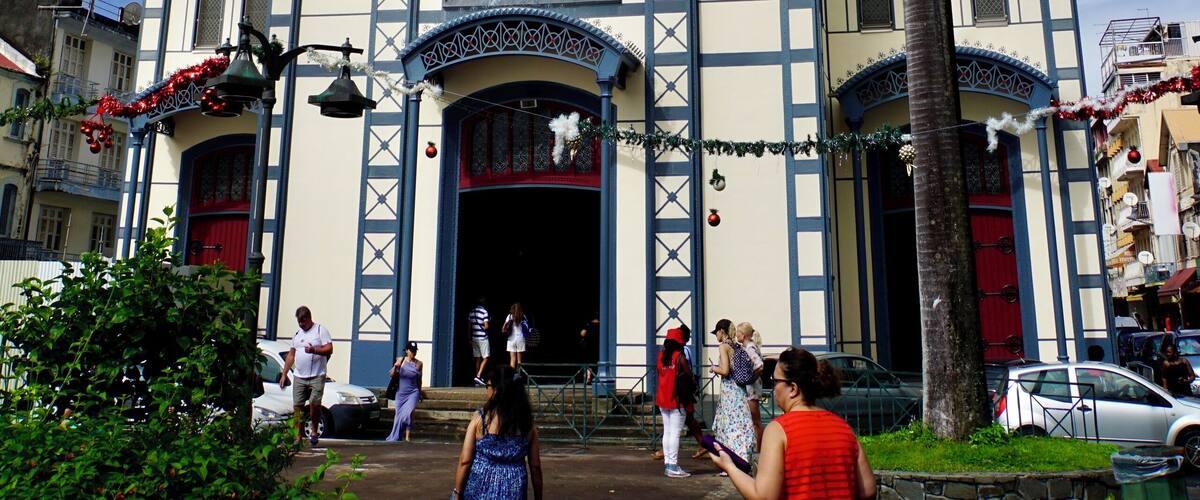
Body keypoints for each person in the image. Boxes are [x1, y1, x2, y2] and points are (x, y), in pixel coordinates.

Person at [710, 347, 876, 499]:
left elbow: (765, 496)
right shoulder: (843, 427)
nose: (773, 388)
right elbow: (868, 490)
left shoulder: (779, 430)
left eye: (775, 381)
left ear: (793, 389)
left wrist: (729, 467)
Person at [453, 366, 543, 500]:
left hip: (480, 485)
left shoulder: (480, 420)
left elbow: (465, 460)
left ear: (496, 390)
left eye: (487, 386)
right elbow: (535, 466)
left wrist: (457, 492)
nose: (486, 390)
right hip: (514, 488)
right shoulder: (527, 424)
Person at [280, 306, 333, 447]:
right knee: (297, 406)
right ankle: (297, 436)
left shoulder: (320, 330)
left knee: (315, 404)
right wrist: (284, 374)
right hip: (299, 375)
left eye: (303, 321)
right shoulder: (297, 335)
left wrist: (314, 350)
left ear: (309, 318)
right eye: (299, 322)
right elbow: (291, 355)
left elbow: (329, 348)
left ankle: (314, 431)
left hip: (317, 374)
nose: (301, 324)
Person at [709, 318, 756, 474]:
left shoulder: (723, 346)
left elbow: (725, 370)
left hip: (730, 392)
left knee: (729, 426)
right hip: (739, 390)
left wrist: (713, 368)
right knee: (740, 425)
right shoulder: (736, 346)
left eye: (716, 332)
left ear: (721, 332)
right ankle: (743, 460)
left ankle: (731, 463)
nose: (716, 336)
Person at [656, 327, 694, 478]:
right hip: (677, 400)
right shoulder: (679, 357)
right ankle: (672, 465)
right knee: (675, 434)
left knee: (667, 432)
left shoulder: (660, 356)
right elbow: (689, 376)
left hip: (663, 398)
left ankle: (668, 464)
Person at [735, 322, 765, 448]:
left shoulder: (749, 348)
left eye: (737, 333)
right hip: (752, 387)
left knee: (755, 420)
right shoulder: (750, 347)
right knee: (753, 420)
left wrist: (751, 378)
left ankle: (759, 447)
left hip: (751, 389)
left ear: (743, 335)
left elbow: (759, 365)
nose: (736, 335)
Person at [386, 341, 422, 442]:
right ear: (406, 351)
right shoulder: (400, 360)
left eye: (415, 351)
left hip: (413, 392)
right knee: (399, 415)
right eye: (411, 350)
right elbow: (391, 374)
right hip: (401, 393)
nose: (413, 353)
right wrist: (396, 366)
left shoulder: (419, 364)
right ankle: (399, 434)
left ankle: (408, 436)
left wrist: (419, 392)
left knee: (408, 413)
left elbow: (419, 380)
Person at [469, 297, 491, 386]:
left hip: (474, 337)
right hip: (483, 338)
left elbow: (469, 327)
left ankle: (476, 380)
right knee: (486, 357)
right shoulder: (485, 312)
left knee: (477, 358)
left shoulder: (471, 312)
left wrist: (469, 338)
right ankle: (478, 376)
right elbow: (486, 326)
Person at [503, 303, 529, 371]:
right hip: (521, 339)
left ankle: (512, 376)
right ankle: (518, 375)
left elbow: (503, 328)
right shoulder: (523, 316)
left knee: (512, 359)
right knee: (519, 361)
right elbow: (527, 328)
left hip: (511, 339)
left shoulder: (510, 316)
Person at [579, 312, 600, 384]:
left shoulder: (588, 325)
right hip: (598, 346)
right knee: (598, 361)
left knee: (588, 362)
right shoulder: (602, 324)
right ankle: (598, 377)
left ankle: (588, 377)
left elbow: (582, 333)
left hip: (589, 346)